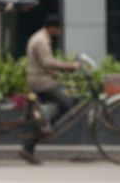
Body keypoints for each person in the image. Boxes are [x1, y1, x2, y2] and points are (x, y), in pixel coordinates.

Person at [20, 14, 79, 165]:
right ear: (52, 28)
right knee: (66, 103)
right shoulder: (41, 41)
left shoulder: (41, 38)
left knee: (60, 96)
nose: (59, 33)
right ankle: (46, 125)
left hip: (42, 79)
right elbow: (47, 62)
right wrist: (70, 66)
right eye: (58, 29)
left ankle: (36, 134)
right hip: (40, 82)